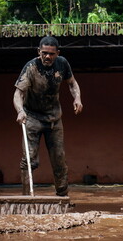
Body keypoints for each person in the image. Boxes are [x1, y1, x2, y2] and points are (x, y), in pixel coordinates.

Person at [13, 36, 82, 196]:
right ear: (39, 52)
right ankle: (26, 198)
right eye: (44, 53)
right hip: (32, 117)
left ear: (57, 53)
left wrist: (77, 98)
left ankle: (62, 195)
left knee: (59, 158)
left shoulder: (62, 63)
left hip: (54, 119)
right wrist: (20, 110)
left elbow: (72, 83)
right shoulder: (31, 67)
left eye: (51, 54)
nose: (47, 57)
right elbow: (18, 93)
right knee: (29, 160)